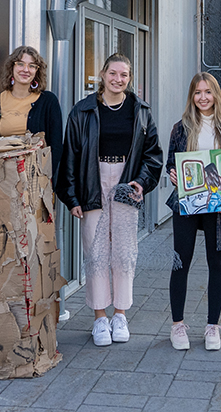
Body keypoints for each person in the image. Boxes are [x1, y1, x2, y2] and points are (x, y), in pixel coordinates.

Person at [55, 52, 163, 346]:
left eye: (124, 75)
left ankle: (121, 314)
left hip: (126, 182)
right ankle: (100, 318)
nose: (118, 79)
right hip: (93, 180)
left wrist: (141, 182)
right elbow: (70, 157)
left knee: (125, 252)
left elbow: (153, 154)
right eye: (113, 73)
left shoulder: (140, 111)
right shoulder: (83, 111)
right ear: (102, 75)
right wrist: (71, 196)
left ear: (130, 79)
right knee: (96, 251)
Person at [0, 44, 63, 354]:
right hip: (0, 194)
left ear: (37, 72)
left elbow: (56, 148)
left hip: (34, 194)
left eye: (32, 65)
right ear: (12, 69)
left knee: (32, 257)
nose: (25, 69)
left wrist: (48, 191)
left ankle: (36, 326)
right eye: (20, 63)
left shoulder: (47, 102)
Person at [165, 73, 221, 351]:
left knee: (217, 263)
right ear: (191, 96)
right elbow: (170, 164)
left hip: (217, 203)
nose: (203, 97)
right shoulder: (180, 128)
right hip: (188, 203)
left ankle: (213, 326)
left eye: (208, 92)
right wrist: (174, 174)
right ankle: (177, 325)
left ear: (216, 95)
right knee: (181, 262)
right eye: (197, 92)